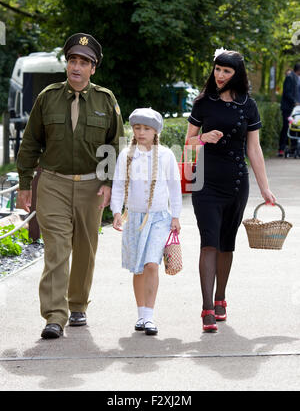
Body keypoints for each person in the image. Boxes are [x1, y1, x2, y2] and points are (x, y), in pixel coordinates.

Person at [16, 33, 124, 339]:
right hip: (53, 183)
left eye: (84, 62)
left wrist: (108, 182)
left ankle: (77, 305)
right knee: (57, 248)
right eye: (73, 60)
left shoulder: (106, 99)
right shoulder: (47, 97)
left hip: (91, 186)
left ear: (93, 68)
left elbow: (114, 144)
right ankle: (54, 315)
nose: (76, 67)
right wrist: (25, 184)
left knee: (85, 249)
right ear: (67, 64)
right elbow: (30, 143)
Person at [186, 49, 276, 333]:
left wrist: (265, 189)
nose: (220, 75)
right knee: (209, 241)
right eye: (217, 69)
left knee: (227, 243)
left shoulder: (248, 105)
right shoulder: (203, 103)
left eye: (226, 71)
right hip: (205, 183)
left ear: (237, 74)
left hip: (236, 183)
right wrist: (203, 137)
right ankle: (207, 308)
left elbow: (254, 148)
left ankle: (221, 297)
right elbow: (188, 142)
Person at [110, 108, 182, 335]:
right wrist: (116, 211)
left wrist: (176, 215)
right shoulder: (126, 155)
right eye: (137, 128)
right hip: (134, 217)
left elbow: (174, 186)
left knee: (152, 264)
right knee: (138, 268)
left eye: (147, 129)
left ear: (155, 132)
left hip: (159, 218)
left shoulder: (166, 155)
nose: (141, 132)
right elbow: (119, 185)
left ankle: (150, 317)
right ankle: (141, 315)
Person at [278, 63, 300, 156]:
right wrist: (294, 101)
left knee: (295, 127)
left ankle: (294, 148)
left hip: (295, 108)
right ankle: (281, 148)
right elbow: (287, 92)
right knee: (286, 126)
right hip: (288, 108)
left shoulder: (297, 78)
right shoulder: (290, 77)